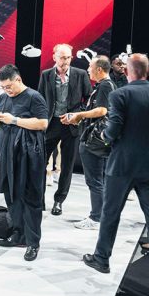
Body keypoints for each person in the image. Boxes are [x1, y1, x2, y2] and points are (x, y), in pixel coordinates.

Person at [82, 53, 149, 296]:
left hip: (122, 165)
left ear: (127, 71)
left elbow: (112, 130)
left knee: (110, 213)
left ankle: (102, 259)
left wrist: (105, 137)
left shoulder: (120, 94)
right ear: (148, 70)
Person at [0, 64, 48, 260]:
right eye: (2, 87)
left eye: (8, 86)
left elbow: (43, 123)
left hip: (29, 155)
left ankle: (33, 243)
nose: (6, 90)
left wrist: (13, 120)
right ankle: (18, 234)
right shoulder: (3, 98)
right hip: (8, 154)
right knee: (11, 196)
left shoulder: (34, 97)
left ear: (18, 79)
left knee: (31, 198)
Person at [62, 55, 115, 231]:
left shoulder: (105, 85)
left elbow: (102, 110)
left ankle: (96, 218)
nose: (88, 70)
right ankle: (100, 216)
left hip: (94, 141)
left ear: (99, 69)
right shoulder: (104, 85)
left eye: (90, 67)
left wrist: (79, 115)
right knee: (99, 181)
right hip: (98, 139)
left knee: (95, 181)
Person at [38, 43, 92, 216]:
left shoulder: (80, 74)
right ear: (54, 57)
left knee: (67, 166)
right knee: (40, 162)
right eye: (62, 57)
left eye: (68, 57)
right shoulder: (46, 75)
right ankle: (39, 199)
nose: (65, 61)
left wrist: (77, 115)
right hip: (51, 124)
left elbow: (89, 99)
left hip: (71, 126)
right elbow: (40, 99)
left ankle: (59, 200)